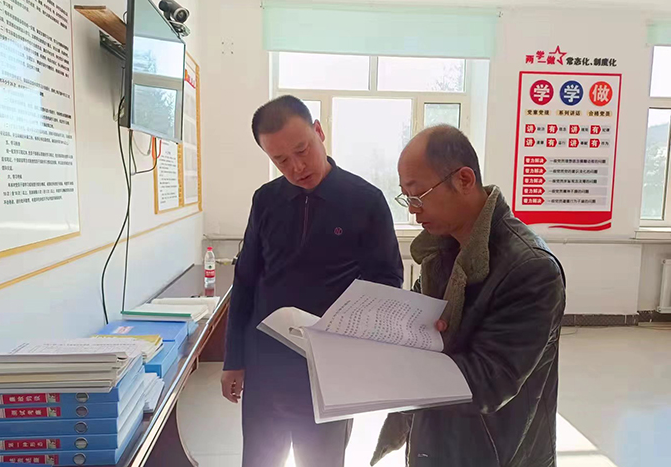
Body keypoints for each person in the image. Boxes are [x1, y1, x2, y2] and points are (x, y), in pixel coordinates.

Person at [222, 95, 403, 467]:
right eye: (280, 160)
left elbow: (386, 281)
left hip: (328, 370)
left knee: (322, 460)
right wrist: (233, 359)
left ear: (319, 131)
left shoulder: (365, 201)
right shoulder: (266, 200)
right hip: (266, 363)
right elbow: (245, 281)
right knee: (259, 459)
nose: (297, 167)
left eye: (302, 150)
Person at [372, 125, 566, 467]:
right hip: (438, 440)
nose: (413, 210)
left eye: (418, 195)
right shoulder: (442, 251)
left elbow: (488, 382)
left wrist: (395, 369)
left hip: (494, 451)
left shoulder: (531, 268)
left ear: (464, 179)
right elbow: (419, 323)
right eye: (406, 197)